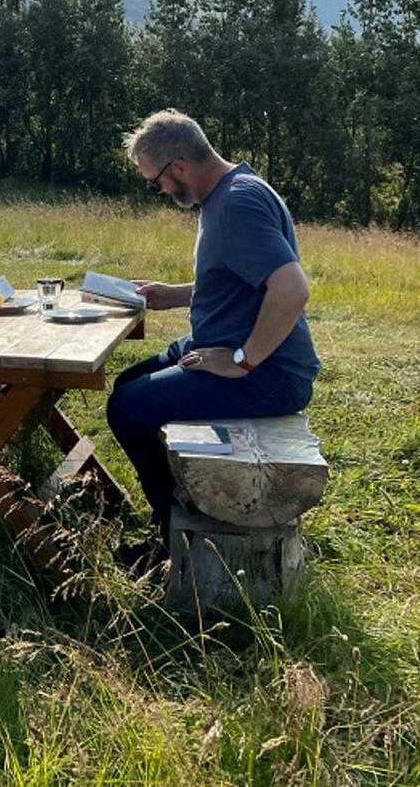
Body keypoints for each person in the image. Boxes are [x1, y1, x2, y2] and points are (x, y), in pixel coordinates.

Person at [107, 109, 320, 570]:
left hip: (272, 373)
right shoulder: (232, 192)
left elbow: (291, 289)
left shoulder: (236, 205)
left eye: (154, 182)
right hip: (225, 344)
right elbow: (243, 278)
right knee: (129, 385)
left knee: (129, 409)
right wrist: (178, 294)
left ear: (178, 167)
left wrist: (243, 361)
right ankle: (174, 517)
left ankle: (173, 544)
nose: (160, 192)